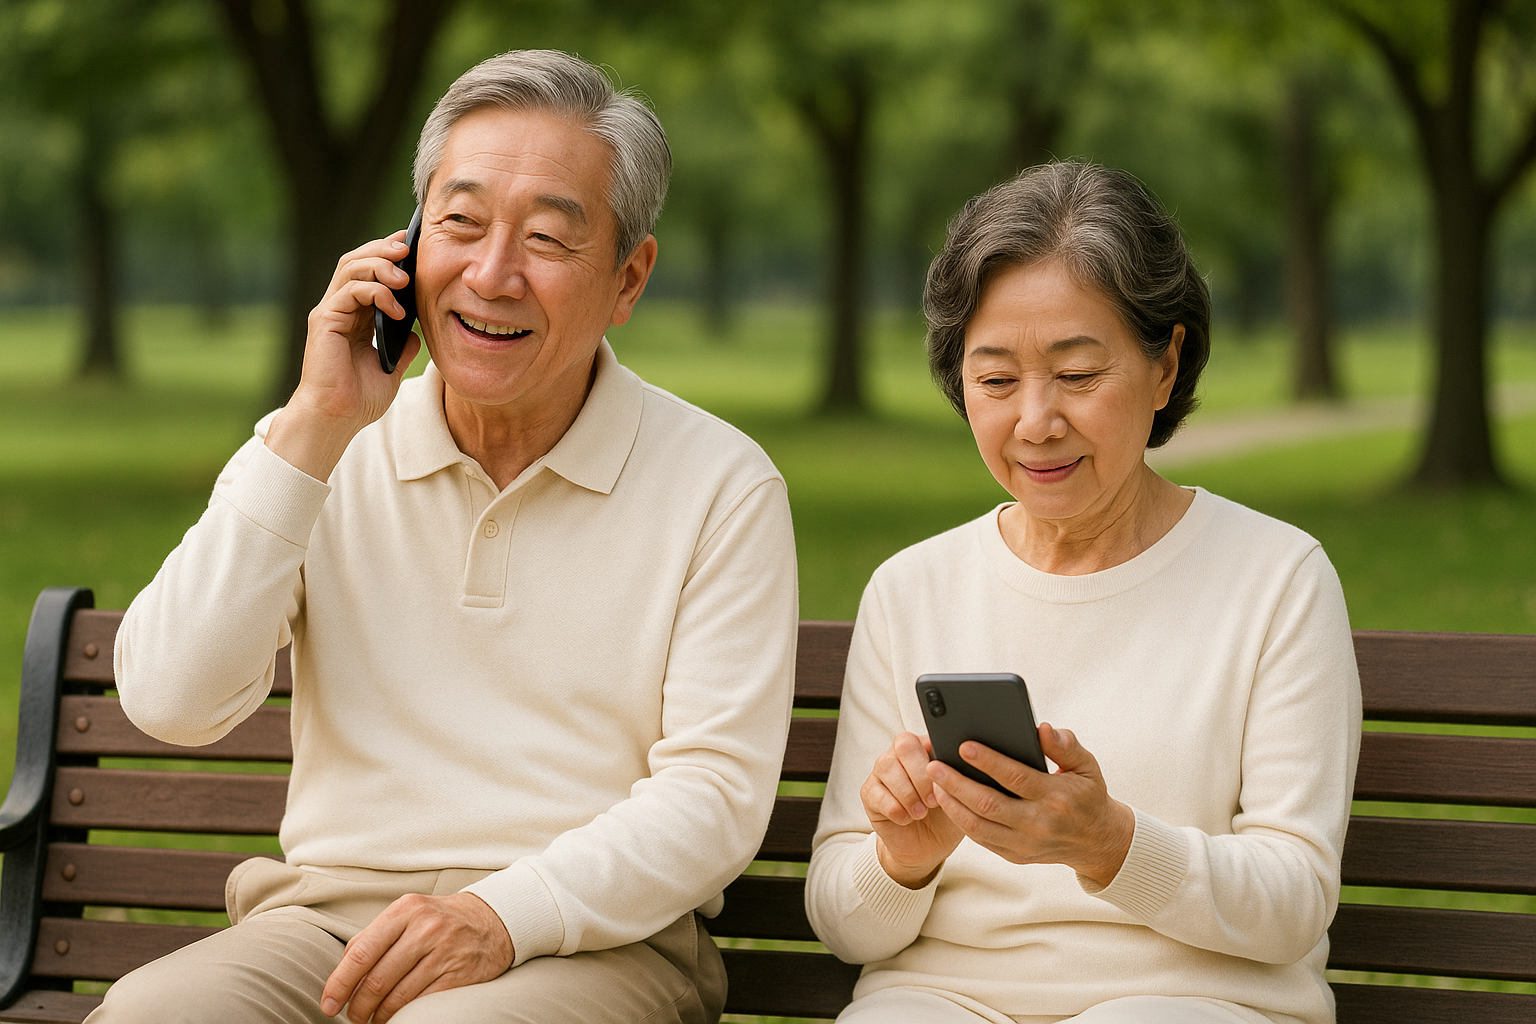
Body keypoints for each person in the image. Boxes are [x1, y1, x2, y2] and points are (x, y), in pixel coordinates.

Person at [95, 50, 798, 1024]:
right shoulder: (321, 448)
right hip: (326, 931)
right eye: (461, 225)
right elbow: (171, 701)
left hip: (591, 942)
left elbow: (713, 797)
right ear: (408, 242)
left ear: (628, 277)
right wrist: (311, 425)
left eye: (548, 238)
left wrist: (496, 915)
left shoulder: (722, 485)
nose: (492, 274)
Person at [804, 162, 1361, 1024]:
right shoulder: (911, 590)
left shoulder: (1277, 580)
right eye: (995, 381)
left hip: (1193, 1003)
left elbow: (1293, 901)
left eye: (1077, 374)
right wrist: (900, 861)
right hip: (942, 1001)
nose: (1035, 421)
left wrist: (1114, 845)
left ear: (1165, 366)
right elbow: (846, 925)